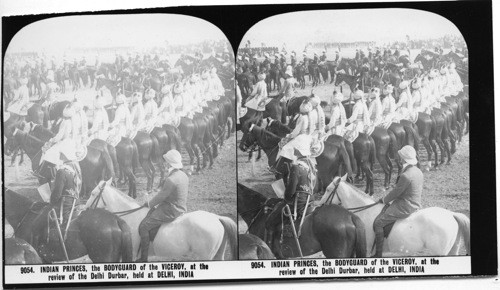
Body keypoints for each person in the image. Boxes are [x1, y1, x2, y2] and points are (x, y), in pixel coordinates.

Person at [137, 149, 188, 262]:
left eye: (165, 161)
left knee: (144, 226)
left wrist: (149, 203)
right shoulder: (183, 175)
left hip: (171, 210)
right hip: (180, 207)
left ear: (169, 163)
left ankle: (143, 259)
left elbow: (161, 196)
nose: (163, 163)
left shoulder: (171, 179)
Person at [372, 145, 423, 257]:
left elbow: (396, 193)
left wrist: (384, 200)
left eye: (400, 157)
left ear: (403, 159)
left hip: (405, 206)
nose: (399, 159)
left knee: (378, 223)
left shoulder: (406, 175)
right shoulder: (418, 171)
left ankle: (378, 254)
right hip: (416, 203)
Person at [265, 145, 316, 244]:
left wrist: (285, 197)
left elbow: (291, 189)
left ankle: (270, 245)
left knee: (271, 220)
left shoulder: (296, 168)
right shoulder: (310, 168)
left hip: (298, 201)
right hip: (309, 199)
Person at [51, 146, 82, 228]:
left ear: (65, 155)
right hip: (76, 201)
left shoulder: (61, 171)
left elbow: (57, 193)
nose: (59, 155)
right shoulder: (76, 169)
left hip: (65, 204)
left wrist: (51, 202)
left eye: (61, 153)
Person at [276, 99, 312, 166]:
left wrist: (289, 136)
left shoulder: (302, 117)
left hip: (300, 137)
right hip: (307, 136)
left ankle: (280, 167)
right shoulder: (308, 116)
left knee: (284, 148)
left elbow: (296, 131)